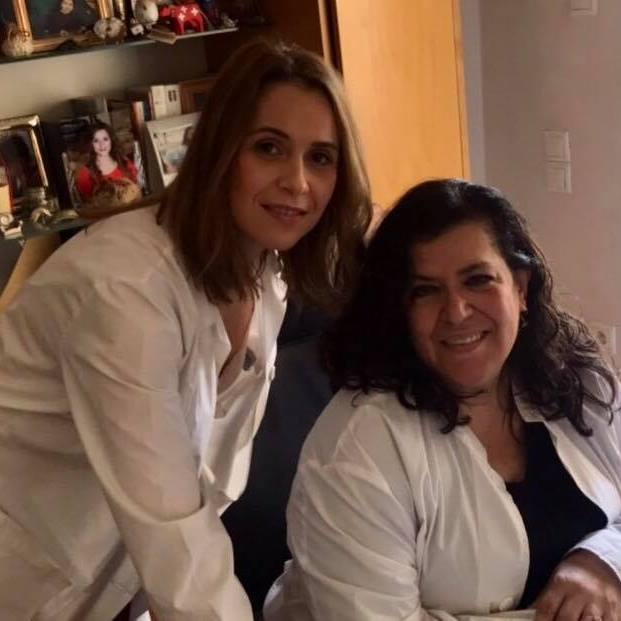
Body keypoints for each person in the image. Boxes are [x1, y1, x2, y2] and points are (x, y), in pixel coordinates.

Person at [0, 39, 372, 620]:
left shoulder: (264, 276)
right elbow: (174, 536)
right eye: (269, 148)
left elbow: (200, 494)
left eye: (321, 157)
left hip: (111, 585)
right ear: (220, 149)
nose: (298, 182)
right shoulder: (126, 292)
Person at [264, 179, 621, 621]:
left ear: (520, 288)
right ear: (400, 310)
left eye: (478, 280)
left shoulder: (577, 380)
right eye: (425, 290)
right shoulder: (359, 447)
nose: (456, 311)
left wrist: (602, 561)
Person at [75, 121, 141, 206]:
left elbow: (137, 189)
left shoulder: (123, 161)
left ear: (111, 140)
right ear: (90, 144)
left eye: (105, 139)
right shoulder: (85, 173)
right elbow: (89, 204)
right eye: (96, 141)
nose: (102, 144)